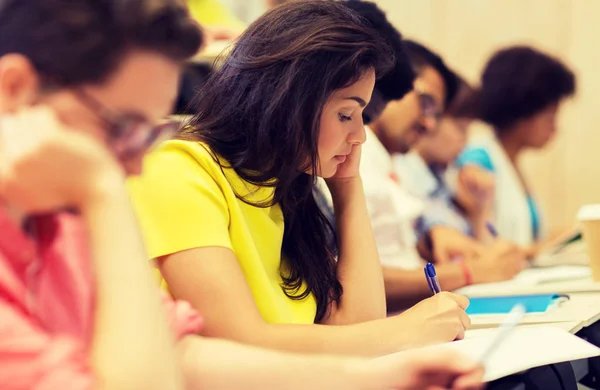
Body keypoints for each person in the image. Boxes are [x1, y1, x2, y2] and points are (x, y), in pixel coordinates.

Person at [0, 1, 487, 389]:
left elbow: (184, 351)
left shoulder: (60, 229)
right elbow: (216, 349)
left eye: (148, 135)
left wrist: (379, 376)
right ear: (14, 88)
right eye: (122, 128)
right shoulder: (157, 179)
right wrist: (103, 194)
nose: (136, 164)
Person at [129, 0, 472, 357]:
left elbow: (357, 323)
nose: (360, 136)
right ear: (290, 101)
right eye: (346, 114)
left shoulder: (283, 186)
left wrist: (346, 186)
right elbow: (240, 344)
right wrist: (406, 330)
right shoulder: (179, 172)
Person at [319, 36, 527, 312]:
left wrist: (429, 239)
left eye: (438, 115)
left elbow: (390, 249)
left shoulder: (386, 160)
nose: (429, 124)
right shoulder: (349, 154)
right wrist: (471, 272)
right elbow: (345, 279)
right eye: (425, 103)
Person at [457, 45, 576, 254]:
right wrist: (549, 245)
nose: (555, 127)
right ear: (523, 111)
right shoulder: (477, 160)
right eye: (550, 116)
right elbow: (489, 247)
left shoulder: (509, 161)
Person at [394, 77, 497, 242]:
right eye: (461, 129)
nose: (465, 141)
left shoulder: (443, 179)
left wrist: (480, 208)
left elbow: (486, 250)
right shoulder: (403, 175)